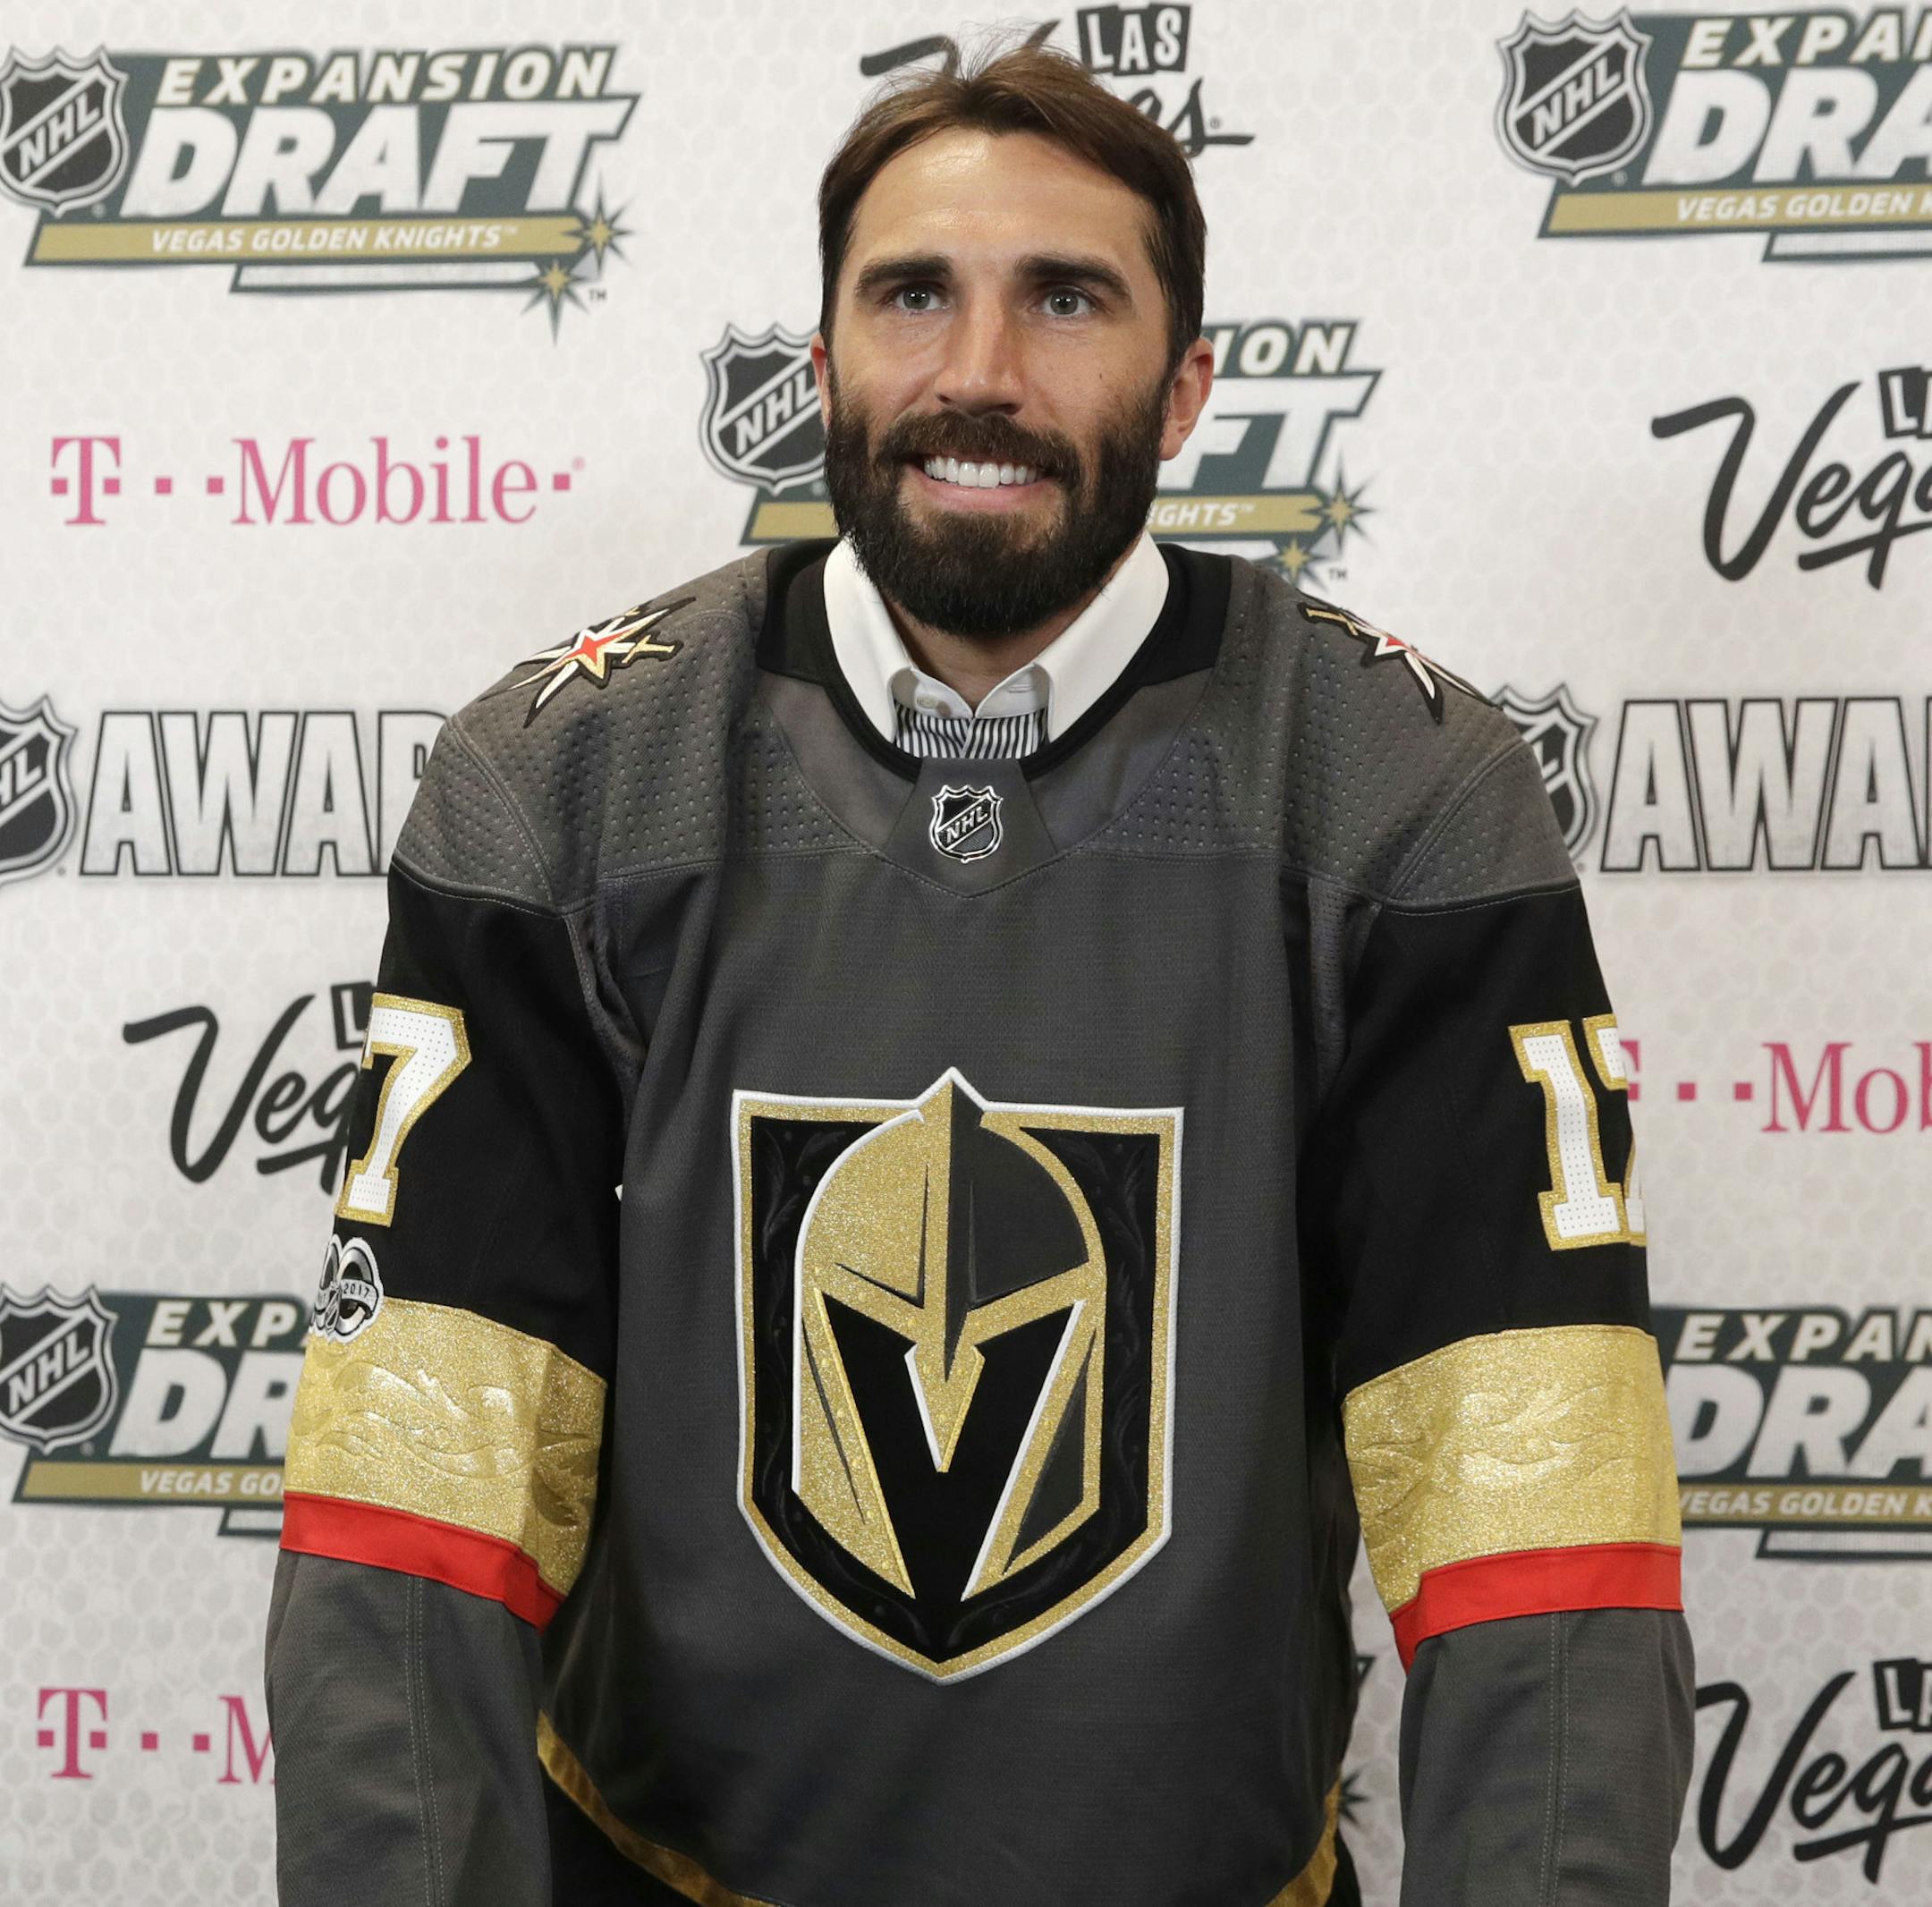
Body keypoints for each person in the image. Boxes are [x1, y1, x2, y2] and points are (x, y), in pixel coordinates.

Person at [266, 44, 1694, 1907]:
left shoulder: (1400, 790)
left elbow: (1542, 1536)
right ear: (820, 365)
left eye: (1068, 300)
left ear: (1186, 388)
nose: (980, 373)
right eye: (913, 295)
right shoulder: (565, 777)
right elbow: (410, 1515)